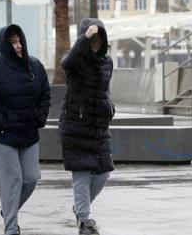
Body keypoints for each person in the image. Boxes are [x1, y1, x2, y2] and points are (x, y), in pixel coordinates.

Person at [0, 24, 50, 235]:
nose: (17, 46)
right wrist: (1, 122)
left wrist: (40, 117)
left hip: (28, 133)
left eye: (19, 41)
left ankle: (8, 210)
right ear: (5, 45)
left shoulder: (36, 66)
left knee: (31, 178)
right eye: (12, 42)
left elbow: (45, 94)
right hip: (2, 136)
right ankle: (11, 228)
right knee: (13, 180)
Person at [59, 18, 115, 235]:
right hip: (75, 125)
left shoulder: (107, 62)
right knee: (81, 174)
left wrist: (109, 107)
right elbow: (67, 63)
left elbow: (105, 89)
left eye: (99, 39)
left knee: (103, 174)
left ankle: (80, 208)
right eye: (92, 39)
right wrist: (84, 38)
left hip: (98, 125)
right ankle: (84, 220)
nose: (95, 43)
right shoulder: (75, 62)